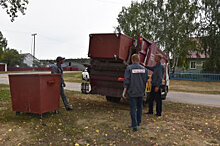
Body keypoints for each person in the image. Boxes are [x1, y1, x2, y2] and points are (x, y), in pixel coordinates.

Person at [122, 54, 148, 132]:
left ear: (132, 60)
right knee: (140, 107)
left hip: (132, 91)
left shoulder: (129, 68)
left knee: (133, 108)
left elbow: (127, 80)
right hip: (140, 91)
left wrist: (124, 91)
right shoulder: (144, 69)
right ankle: (138, 122)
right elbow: (145, 80)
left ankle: (134, 125)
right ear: (139, 60)